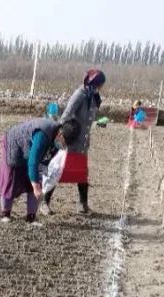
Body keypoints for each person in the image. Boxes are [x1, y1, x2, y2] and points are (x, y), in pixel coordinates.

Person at [42, 68, 105, 215]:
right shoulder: (80, 95)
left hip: (82, 143)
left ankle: (82, 205)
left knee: (82, 173)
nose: (102, 87)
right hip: (70, 141)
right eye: (101, 84)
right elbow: (65, 115)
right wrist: (60, 135)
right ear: (94, 82)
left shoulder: (93, 96)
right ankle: (44, 202)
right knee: (58, 171)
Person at [0, 117, 80, 223]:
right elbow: (33, 162)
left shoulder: (57, 143)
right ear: (60, 134)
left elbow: (44, 162)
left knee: (34, 179)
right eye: (64, 142)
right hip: (14, 144)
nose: (63, 146)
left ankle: (31, 216)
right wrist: (36, 187)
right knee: (10, 177)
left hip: (29, 149)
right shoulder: (42, 134)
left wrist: (39, 183)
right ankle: (5, 213)